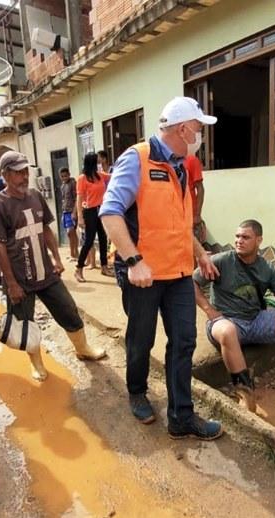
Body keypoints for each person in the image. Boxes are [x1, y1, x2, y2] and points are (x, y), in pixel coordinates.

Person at [100, 96, 223, 440]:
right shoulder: (137, 158)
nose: (200, 134)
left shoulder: (182, 165)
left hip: (179, 273)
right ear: (183, 129)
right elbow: (110, 212)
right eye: (198, 128)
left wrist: (198, 251)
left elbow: (178, 222)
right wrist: (134, 261)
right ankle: (137, 391)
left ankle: (181, 417)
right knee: (141, 339)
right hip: (144, 275)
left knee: (184, 342)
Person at [0, 151, 106, 381]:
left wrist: (57, 259)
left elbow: (46, 230)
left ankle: (83, 349)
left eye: (26, 171)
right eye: (18, 172)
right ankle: (37, 363)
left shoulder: (35, 196)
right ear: (5, 175)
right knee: (25, 323)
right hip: (20, 279)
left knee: (68, 309)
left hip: (46, 272)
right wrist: (11, 284)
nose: (24, 176)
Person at [194, 220, 275, 411]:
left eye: (246, 237)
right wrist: (209, 310)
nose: (239, 241)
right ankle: (244, 390)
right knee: (227, 331)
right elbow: (191, 282)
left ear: (259, 240)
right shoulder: (222, 260)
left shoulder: (268, 269)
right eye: (237, 236)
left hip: (255, 319)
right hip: (226, 321)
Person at [74, 152, 113, 282]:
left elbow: (113, 176)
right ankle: (78, 269)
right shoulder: (82, 178)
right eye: (97, 161)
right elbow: (79, 199)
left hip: (101, 210)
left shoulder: (100, 176)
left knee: (103, 238)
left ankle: (104, 266)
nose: (99, 163)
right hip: (89, 211)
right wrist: (80, 217)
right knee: (89, 241)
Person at [186, 153, 208, 245]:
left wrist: (197, 215)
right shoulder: (166, 162)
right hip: (175, 218)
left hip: (191, 217)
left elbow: (200, 188)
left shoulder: (191, 160)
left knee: (195, 250)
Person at [58, 167, 79, 260]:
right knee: (70, 233)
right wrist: (63, 213)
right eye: (62, 176)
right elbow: (64, 200)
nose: (64, 178)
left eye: (66, 176)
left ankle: (74, 253)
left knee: (71, 231)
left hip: (72, 211)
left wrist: (75, 212)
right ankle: (73, 253)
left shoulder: (73, 183)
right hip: (65, 211)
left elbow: (77, 198)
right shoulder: (62, 186)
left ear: (69, 174)